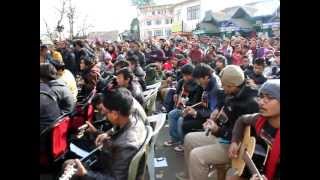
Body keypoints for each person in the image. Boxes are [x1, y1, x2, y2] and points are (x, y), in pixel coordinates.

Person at [178, 65, 259, 180]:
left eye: (224, 85)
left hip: (234, 146)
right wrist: (217, 109)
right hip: (222, 135)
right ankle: (191, 175)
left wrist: (218, 130)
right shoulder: (234, 91)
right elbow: (224, 100)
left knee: (197, 156)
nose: (222, 88)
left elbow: (246, 136)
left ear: (232, 85)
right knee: (189, 139)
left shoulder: (250, 104)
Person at [62, 88, 147, 180]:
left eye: (106, 113)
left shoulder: (126, 144)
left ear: (115, 114)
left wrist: (85, 174)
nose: (103, 114)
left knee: (68, 166)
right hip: (108, 164)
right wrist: (101, 133)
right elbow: (117, 130)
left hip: (107, 172)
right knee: (70, 164)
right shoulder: (133, 118)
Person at [226, 79, 280, 180]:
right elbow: (241, 120)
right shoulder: (259, 119)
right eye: (261, 96)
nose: (261, 102)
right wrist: (235, 141)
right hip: (258, 167)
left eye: (270, 98)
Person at [163, 64, 203, 151]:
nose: (185, 77)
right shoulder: (183, 82)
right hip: (183, 107)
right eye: (184, 75)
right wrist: (177, 95)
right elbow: (178, 91)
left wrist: (185, 102)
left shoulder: (198, 85)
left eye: (186, 75)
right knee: (171, 114)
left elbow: (196, 102)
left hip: (193, 109)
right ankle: (175, 138)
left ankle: (183, 142)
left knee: (181, 119)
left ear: (192, 74)